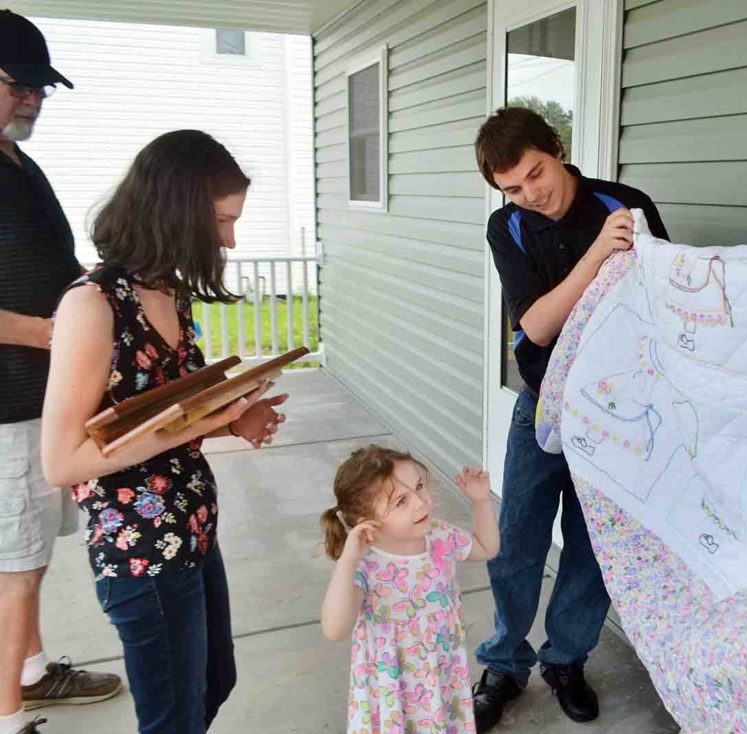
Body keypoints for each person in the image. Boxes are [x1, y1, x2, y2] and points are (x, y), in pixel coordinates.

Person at [39, 130, 289, 733]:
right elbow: (63, 461)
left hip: (193, 529)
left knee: (213, 683)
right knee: (173, 719)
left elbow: (175, 410)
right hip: (142, 553)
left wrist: (232, 417)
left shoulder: (168, 294)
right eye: (222, 221)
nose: (229, 238)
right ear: (178, 211)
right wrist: (199, 423)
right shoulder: (92, 306)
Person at [472, 107, 669, 731]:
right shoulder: (508, 227)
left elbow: (662, 302)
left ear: (557, 148)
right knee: (516, 539)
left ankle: (567, 659)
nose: (531, 194)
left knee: (592, 542)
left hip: (618, 409)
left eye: (536, 173)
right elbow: (534, 325)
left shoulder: (626, 203)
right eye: (514, 187)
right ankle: (504, 661)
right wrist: (594, 260)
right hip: (541, 405)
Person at [0, 10, 123, 734]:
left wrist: (96, 291)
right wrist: (52, 333)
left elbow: (48, 265)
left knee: (31, 557)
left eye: (43, 89)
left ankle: (31, 673)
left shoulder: (19, 164)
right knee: (14, 564)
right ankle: (9, 717)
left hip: (37, 399)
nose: (34, 101)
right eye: (20, 85)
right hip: (6, 405)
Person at [319, 446, 500, 733]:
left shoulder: (439, 536)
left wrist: (481, 502)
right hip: (390, 687)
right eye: (401, 501)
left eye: (419, 487)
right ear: (366, 521)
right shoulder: (365, 564)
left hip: (441, 674)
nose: (421, 502)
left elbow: (486, 547)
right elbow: (334, 628)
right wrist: (347, 562)